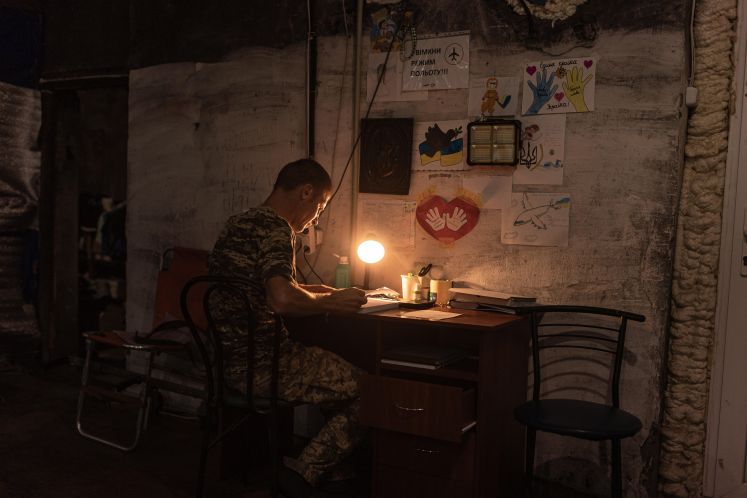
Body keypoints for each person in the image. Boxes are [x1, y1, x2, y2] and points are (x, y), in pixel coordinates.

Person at [208, 158, 368, 497]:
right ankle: (303, 472)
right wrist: (331, 303)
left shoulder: (238, 223)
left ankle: (336, 472)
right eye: (320, 207)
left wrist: (320, 292)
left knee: (332, 368)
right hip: (265, 367)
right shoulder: (277, 229)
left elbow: (261, 286)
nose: (315, 219)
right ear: (306, 192)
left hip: (226, 363)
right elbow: (281, 299)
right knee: (369, 390)